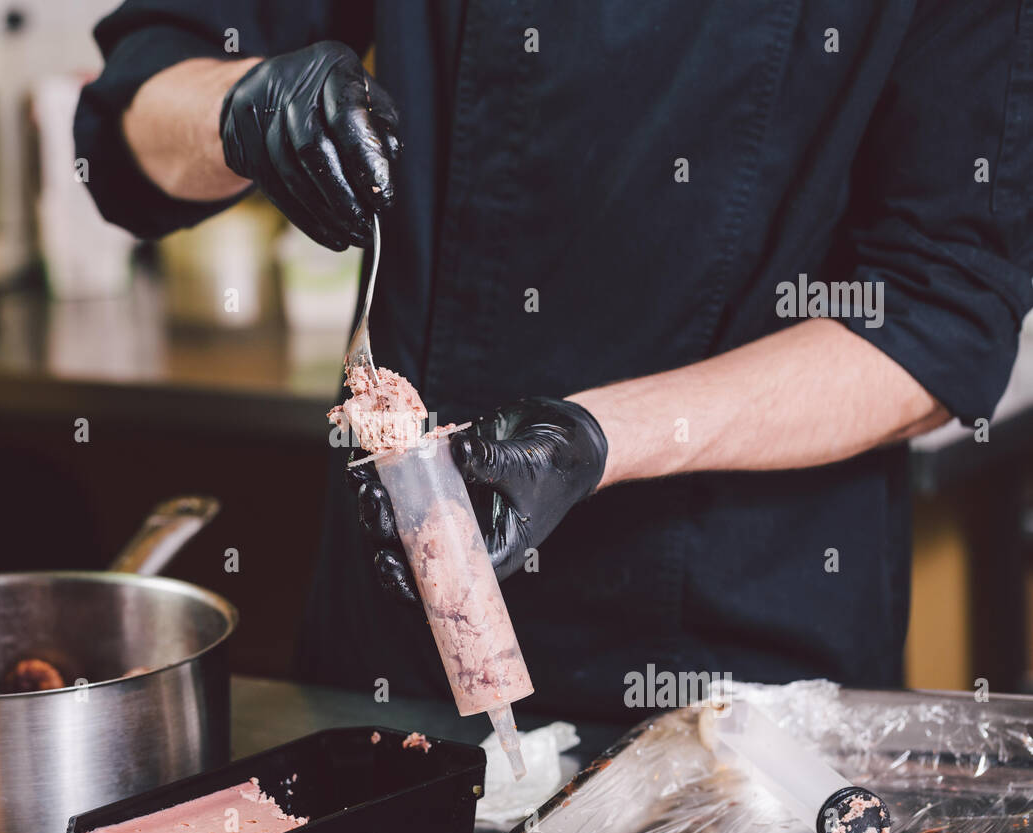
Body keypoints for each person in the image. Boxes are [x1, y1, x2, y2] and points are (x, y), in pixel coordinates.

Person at [76, 1, 1033, 727]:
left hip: (735, 667)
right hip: (394, 637)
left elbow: (936, 313)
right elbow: (135, 109)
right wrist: (241, 108)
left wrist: (589, 441)